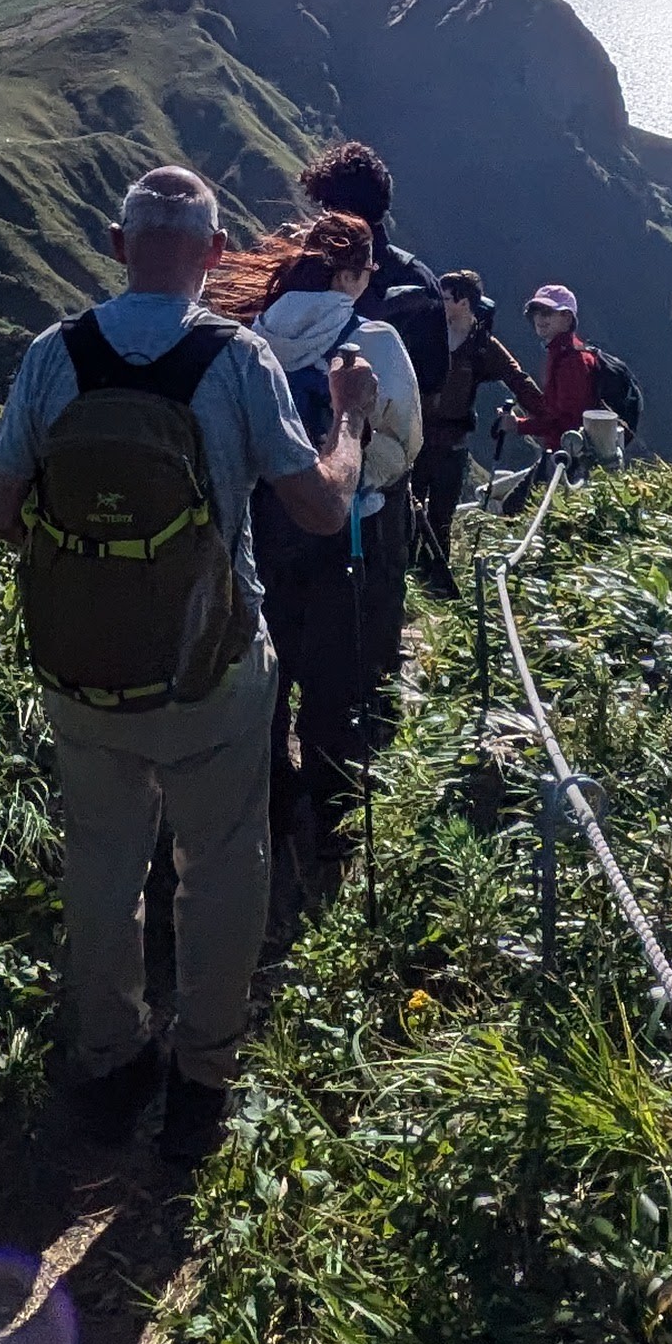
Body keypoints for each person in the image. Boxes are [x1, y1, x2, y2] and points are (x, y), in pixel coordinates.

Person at [0, 165, 372, 1167]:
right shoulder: (237, 358)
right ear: (214, 251)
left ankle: (110, 1058)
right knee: (221, 861)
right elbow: (319, 509)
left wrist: (96, 557)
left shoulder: (50, 356)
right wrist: (351, 423)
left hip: (81, 670)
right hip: (214, 669)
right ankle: (204, 1072)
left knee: (104, 859)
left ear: (117, 245)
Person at [204, 211, 421, 905]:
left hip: (265, 530)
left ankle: (268, 808)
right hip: (352, 534)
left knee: (270, 676)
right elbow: (401, 447)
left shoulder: (249, 340)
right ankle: (330, 828)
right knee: (341, 681)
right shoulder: (373, 341)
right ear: (351, 274)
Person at [297, 139, 456, 611]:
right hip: (384, 482)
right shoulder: (420, 282)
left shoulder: (301, 277)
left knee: (295, 612)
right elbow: (432, 380)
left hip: (301, 478)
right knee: (371, 610)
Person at [423, 271, 530, 547]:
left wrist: (546, 416)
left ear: (465, 303)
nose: (439, 303)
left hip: (452, 445)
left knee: (440, 520)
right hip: (418, 440)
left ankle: (434, 583)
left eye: (445, 298)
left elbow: (517, 378)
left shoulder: (482, 346)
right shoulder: (428, 333)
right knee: (408, 516)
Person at [509, 281, 609, 462]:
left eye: (547, 312)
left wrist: (519, 426)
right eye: (535, 312)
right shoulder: (562, 355)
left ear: (568, 318)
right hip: (566, 456)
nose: (539, 319)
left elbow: (566, 422)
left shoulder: (572, 362)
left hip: (571, 460)